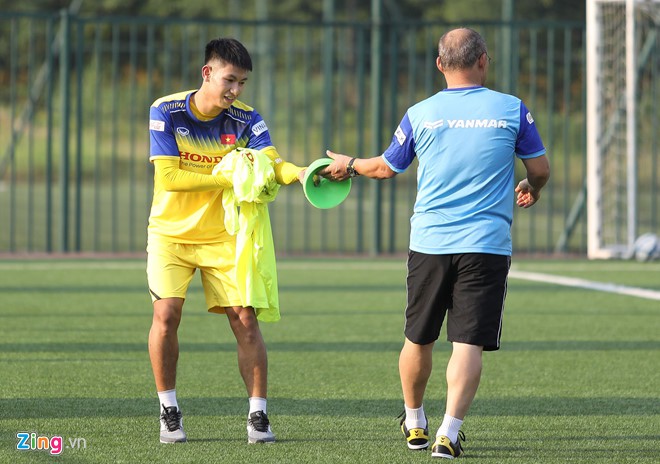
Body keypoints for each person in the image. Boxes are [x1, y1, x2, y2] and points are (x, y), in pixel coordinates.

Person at [321, 28, 550, 459]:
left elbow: (386, 167)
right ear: (484, 60)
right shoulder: (512, 109)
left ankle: (414, 421)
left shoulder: (420, 113)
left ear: (440, 65)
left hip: (430, 242)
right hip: (486, 244)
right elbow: (539, 168)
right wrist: (532, 188)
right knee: (467, 343)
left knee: (418, 338)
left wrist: (348, 164)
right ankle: (449, 431)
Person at [147, 37, 306, 444]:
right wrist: (225, 174)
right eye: (229, 80)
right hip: (171, 237)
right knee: (166, 317)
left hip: (225, 237)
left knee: (246, 322)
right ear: (208, 73)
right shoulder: (166, 110)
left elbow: (271, 163)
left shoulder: (246, 119)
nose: (235, 91)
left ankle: (258, 417)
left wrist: (302, 173)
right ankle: (169, 410)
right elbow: (169, 177)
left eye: (242, 83)